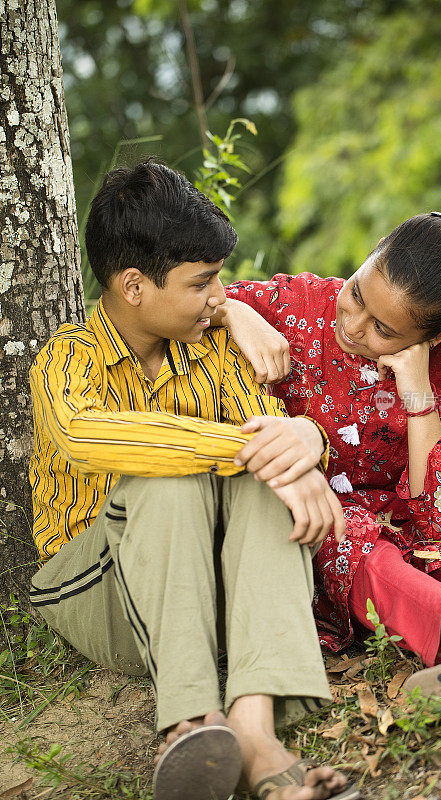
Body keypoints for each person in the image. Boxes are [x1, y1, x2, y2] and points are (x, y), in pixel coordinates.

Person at [28, 162, 362, 800]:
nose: (220, 297)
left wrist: (299, 448)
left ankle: (255, 732)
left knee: (259, 469)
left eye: (221, 282)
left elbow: (266, 447)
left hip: (207, 588)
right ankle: (189, 721)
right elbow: (84, 435)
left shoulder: (214, 348)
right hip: (101, 588)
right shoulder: (67, 357)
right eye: (203, 283)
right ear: (134, 285)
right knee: (175, 475)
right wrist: (250, 447)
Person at [217, 202, 441, 694]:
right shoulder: (294, 304)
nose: (354, 324)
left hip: (411, 519)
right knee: (354, 543)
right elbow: (193, 295)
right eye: (357, 292)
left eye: (384, 330)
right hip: (320, 512)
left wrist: (420, 401)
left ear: (436, 336)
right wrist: (236, 310)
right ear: (365, 259)